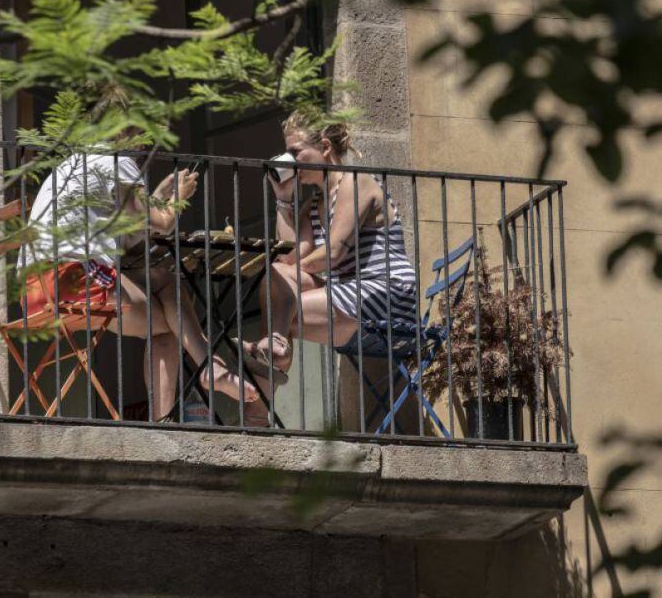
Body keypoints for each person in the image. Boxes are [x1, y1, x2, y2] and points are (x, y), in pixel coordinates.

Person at [22, 134, 258, 420]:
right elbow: (163, 223)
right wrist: (179, 199)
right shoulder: (117, 161)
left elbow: (133, 235)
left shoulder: (77, 164)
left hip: (35, 288)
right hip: (71, 278)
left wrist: (157, 197)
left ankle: (207, 369)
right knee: (169, 323)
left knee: (165, 281)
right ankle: (184, 395)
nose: (146, 146)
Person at [243, 112, 418, 420]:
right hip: (350, 294)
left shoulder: (355, 181)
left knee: (280, 298)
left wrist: (291, 273)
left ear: (324, 147)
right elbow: (289, 258)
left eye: (296, 152)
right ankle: (275, 349)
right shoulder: (315, 203)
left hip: (388, 294)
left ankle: (260, 397)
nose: (290, 160)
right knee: (278, 278)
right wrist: (284, 199)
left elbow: (333, 253)